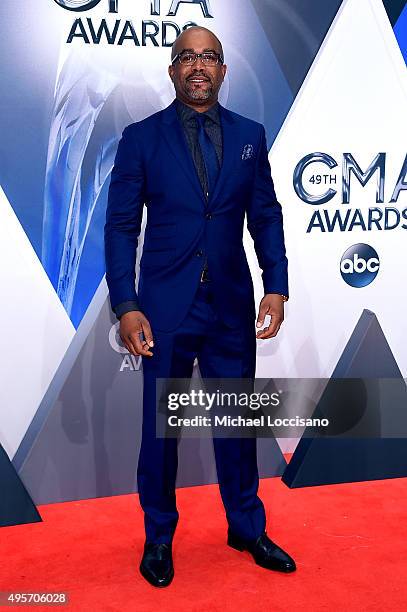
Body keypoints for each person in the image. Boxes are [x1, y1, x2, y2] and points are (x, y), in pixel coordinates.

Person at [104, 25, 295, 587]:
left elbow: (266, 215)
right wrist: (127, 304)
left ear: (222, 70)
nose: (197, 66)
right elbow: (120, 227)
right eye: (186, 56)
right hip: (163, 310)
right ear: (171, 69)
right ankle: (158, 536)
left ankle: (245, 526)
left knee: (236, 425)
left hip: (231, 306)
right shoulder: (141, 138)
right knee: (160, 433)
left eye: (208, 57)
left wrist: (276, 286)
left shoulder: (249, 135)